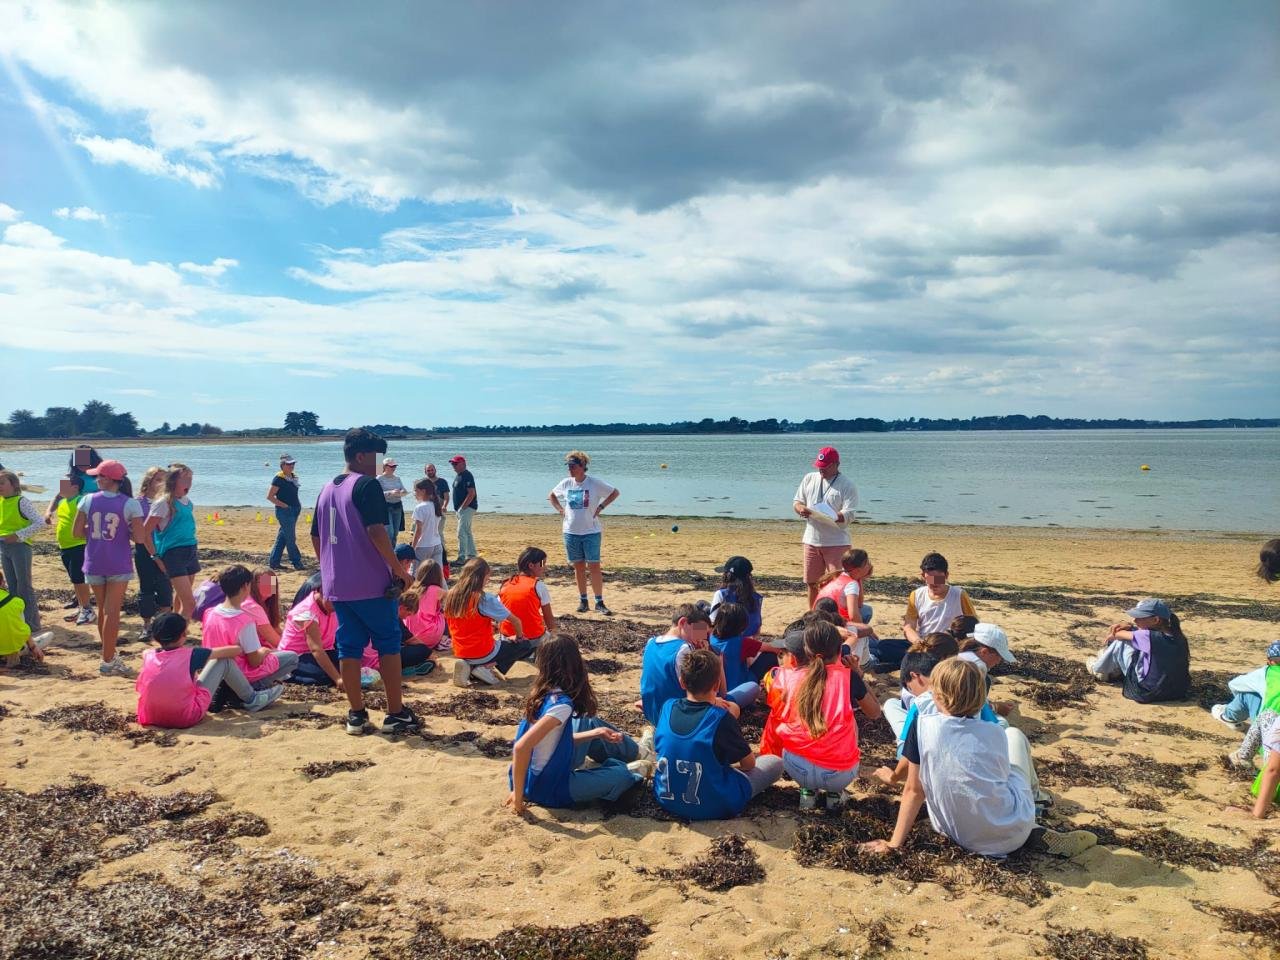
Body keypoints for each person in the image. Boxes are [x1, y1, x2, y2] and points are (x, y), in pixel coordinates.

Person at [861, 659, 1096, 859]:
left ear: (937, 696)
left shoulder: (922, 725)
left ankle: (1028, 820)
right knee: (1015, 737)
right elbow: (999, 778)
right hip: (1010, 832)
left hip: (953, 830)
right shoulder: (994, 732)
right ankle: (1035, 808)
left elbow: (914, 790)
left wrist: (894, 844)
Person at [310, 428, 419, 736]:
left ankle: (356, 714)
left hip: (339, 584)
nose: (378, 464)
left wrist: (327, 571)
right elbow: (376, 530)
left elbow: (316, 536)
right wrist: (398, 570)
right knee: (388, 643)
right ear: (360, 456)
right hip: (371, 583)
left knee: (349, 646)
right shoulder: (366, 484)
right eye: (375, 457)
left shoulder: (326, 488)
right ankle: (395, 713)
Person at [507, 636, 652, 813]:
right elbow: (521, 747)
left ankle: (638, 752)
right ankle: (631, 766)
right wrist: (518, 798)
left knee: (587, 721)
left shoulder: (543, 694)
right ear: (574, 664)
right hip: (550, 787)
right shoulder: (561, 706)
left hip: (537, 775)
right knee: (622, 776)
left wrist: (596, 733)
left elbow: (551, 742)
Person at [653, 647, 783, 820]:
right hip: (715, 805)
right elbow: (749, 764)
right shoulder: (721, 719)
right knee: (775, 763)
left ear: (682, 682)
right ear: (716, 684)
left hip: (666, 798)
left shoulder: (667, 707)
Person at [772, 621, 862, 810]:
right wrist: (857, 675)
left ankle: (807, 792)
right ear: (840, 651)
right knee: (850, 719)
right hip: (839, 773)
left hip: (796, 766)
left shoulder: (791, 676)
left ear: (807, 651)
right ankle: (834, 794)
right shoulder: (847, 677)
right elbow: (875, 712)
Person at [136, 612, 281, 727]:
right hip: (185, 717)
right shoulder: (192, 654)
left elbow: (151, 655)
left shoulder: (148, 655)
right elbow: (233, 651)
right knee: (224, 661)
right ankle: (252, 698)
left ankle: (248, 697)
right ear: (183, 635)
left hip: (151, 716)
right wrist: (243, 645)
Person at [73, 460, 145, 677]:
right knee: (112, 612)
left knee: (105, 611)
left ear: (108, 479)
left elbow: (76, 532)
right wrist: (124, 532)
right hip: (118, 563)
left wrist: (95, 532)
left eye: (99, 476)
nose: (96, 479)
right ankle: (107, 660)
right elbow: (139, 538)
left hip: (94, 561)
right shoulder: (130, 504)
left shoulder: (87, 500)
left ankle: (109, 655)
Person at [201, 565, 298, 698]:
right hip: (241, 672)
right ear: (247, 586)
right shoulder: (246, 618)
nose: (270, 586)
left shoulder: (209, 612)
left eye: (272, 583)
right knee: (292, 658)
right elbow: (254, 661)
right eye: (266, 583)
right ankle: (253, 688)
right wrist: (264, 651)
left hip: (216, 670)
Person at [548, 450, 620, 615]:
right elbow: (552, 495)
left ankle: (599, 602)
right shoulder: (566, 483)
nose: (570, 469)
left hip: (591, 532)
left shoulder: (594, 483)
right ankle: (583, 600)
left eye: (573, 466)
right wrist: (560, 509)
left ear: (582, 466)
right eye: (568, 466)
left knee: (594, 566)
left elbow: (615, 492)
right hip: (571, 532)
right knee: (578, 567)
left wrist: (601, 507)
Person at [444, 558, 533, 686]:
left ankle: (470, 667)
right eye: (487, 577)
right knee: (524, 645)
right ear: (481, 578)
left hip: (460, 650)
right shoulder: (483, 598)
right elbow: (516, 621)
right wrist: (518, 637)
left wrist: (487, 625)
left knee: (496, 643)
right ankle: (486, 667)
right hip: (482, 651)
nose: (488, 580)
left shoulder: (451, 596)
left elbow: (463, 621)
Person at [1086, 598, 1190, 703]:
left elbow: (1117, 635)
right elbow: (1142, 635)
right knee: (1135, 645)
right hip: (1177, 692)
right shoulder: (1179, 637)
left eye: (1139, 617)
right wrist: (1131, 627)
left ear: (1155, 620)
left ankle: (1098, 669)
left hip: (1146, 692)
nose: (1134, 620)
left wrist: (1127, 626)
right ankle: (1108, 659)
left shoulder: (1147, 636)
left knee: (1121, 642)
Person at [792, 446, 859, 607]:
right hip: (811, 540)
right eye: (819, 466)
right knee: (812, 583)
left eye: (825, 467)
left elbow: (850, 514)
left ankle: (836, 616)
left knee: (838, 583)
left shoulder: (847, 485)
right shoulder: (809, 478)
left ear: (836, 464)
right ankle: (813, 615)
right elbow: (797, 501)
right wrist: (801, 509)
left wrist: (833, 516)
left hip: (836, 542)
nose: (821, 470)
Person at [639, 603, 715, 725]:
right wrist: (704, 655)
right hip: (675, 715)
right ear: (683, 623)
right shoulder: (683, 648)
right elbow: (698, 688)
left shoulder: (651, 643)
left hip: (652, 712)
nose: (701, 638)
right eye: (699, 631)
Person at [143, 463, 200, 620]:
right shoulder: (163, 503)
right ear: (173, 481)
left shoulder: (186, 501)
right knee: (190, 604)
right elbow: (145, 533)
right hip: (173, 554)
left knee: (181, 600)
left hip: (190, 550)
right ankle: (179, 631)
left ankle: (177, 626)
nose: (189, 483)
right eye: (185, 479)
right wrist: (155, 557)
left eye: (190, 479)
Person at [0, 469, 44, 632]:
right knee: (12, 586)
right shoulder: (1, 501)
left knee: (24, 586)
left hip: (20, 547)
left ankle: (33, 625)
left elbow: (40, 522)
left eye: (2, 483)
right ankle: (18, 622)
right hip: (3, 547)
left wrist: (18, 535)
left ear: (13, 484)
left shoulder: (21, 501)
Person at [815, 548, 878, 664]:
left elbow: (859, 604)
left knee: (866, 610)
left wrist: (859, 578)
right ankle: (863, 660)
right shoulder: (851, 584)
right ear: (858, 569)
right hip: (834, 624)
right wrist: (866, 629)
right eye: (867, 563)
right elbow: (853, 615)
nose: (870, 566)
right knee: (867, 637)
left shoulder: (838, 576)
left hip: (821, 619)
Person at [902, 553, 977, 646]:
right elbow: (908, 627)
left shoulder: (959, 595)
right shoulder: (916, 595)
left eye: (938, 579)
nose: (935, 583)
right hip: (924, 643)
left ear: (946, 575)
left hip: (950, 645)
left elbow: (973, 623)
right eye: (930, 579)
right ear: (923, 576)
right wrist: (918, 642)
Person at [278, 586, 343, 687]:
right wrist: (338, 679)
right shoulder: (307, 612)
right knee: (322, 677)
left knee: (346, 665)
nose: (335, 606)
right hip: (297, 655)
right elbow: (316, 649)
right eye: (332, 601)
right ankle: (287, 674)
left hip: (326, 650)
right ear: (321, 594)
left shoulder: (332, 607)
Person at [133, 466, 172, 633]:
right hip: (143, 550)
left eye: (165, 480)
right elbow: (133, 529)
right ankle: (147, 625)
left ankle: (165, 624)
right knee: (146, 588)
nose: (162, 484)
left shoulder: (168, 501)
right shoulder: (137, 503)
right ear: (148, 481)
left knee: (165, 586)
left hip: (164, 548)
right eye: (158, 480)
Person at [54, 473, 93, 626]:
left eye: (63, 484)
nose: (60, 487)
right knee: (74, 579)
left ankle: (88, 609)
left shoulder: (80, 501)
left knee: (80, 578)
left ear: (75, 487)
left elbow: (90, 521)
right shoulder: (62, 502)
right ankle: (82, 607)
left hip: (79, 545)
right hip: (65, 546)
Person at [499, 547, 557, 649]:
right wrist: (555, 636)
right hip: (533, 638)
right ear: (531, 565)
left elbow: (499, 612)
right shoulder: (538, 585)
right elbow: (548, 618)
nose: (545, 567)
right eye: (542, 564)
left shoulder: (506, 584)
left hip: (507, 637)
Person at [1214, 641, 1280, 730]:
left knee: (1249, 693)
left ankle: (1229, 717)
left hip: (1268, 729)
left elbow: (1234, 684)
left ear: (1270, 661)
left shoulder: (1266, 673)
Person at [267, 454, 306, 572]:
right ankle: (296, 562)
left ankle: (274, 562)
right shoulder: (278, 478)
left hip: (295, 510)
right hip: (284, 511)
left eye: (293, 463)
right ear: (283, 465)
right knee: (291, 538)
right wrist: (284, 506)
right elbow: (270, 497)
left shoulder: (293, 477)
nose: (291, 466)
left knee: (283, 537)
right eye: (289, 464)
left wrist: (297, 506)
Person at [0, 569, 45, 667]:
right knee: (49, 635)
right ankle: (16, 654)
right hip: (12, 648)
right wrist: (33, 647)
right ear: (2, 582)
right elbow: (21, 628)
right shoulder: (17, 601)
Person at [400, 560, 448, 651]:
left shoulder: (412, 587)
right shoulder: (436, 590)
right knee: (444, 613)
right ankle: (444, 638)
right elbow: (451, 598)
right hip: (429, 636)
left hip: (410, 635)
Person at [409, 478, 444, 574]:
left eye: (416, 490)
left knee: (415, 573)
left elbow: (418, 531)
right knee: (438, 575)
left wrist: (413, 547)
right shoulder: (435, 505)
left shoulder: (420, 507)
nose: (414, 493)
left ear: (423, 491)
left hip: (423, 545)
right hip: (437, 544)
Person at [449, 455, 478, 564]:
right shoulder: (459, 475)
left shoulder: (467, 475)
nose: (453, 466)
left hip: (467, 508)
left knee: (461, 532)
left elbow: (471, 493)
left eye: (455, 464)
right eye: (453, 464)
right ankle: (472, 555)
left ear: (463, 464)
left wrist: (463, 507)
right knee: (467, 531)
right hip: (461, 509)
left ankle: (461, 558)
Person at [245, 568, 283, 647]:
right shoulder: (251, 606)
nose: (269, 585)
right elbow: (276, 641)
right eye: (264, 582)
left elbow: (275, 628)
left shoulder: (266, 603)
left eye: (272, 582)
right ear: (253, 585)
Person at [424, 463, 452, 564]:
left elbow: (446, 496)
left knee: (438, 533)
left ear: (435, 470)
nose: (430, 472)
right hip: (427, 512)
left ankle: (443, 556)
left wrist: (444, 506)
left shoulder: (442, 482)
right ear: (425, 472)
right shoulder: (424, 482)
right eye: (428, 470)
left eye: (432, 470)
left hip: (439, 512)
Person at [378, 458, 408, 547]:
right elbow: (377, 494)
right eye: (391, 466)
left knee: (395, 533)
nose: (393, 468)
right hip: (386, 507)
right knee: (389, 532)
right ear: (385, 466)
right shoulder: (379, 478)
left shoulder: (397, 478)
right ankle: (387, 551)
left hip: (397, 506)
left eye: (395, 466)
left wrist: (402, 492)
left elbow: (404, 490)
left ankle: (393, 551)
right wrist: (390, 492)